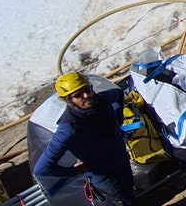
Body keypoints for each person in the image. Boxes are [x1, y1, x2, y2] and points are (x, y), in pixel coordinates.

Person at [33, 72, 134, 206]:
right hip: (104, 175)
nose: (87, 95)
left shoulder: (102, 100)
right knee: (124, 200)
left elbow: (118, 93)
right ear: (69, 100)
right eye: (78, 95)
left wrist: (118, 120)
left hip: (121, 159)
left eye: (87, 89)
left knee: (130, 190)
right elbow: (41, 169)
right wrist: (75, 171)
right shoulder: (69, 129)